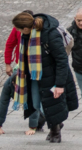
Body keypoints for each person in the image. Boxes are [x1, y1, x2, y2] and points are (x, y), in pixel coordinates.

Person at [12, 10, 73, 142]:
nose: (19, 33)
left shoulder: (50, 35)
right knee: (36, 103)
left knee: (50, 104)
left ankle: (55, 130)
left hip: (50, 75)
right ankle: (56, 124)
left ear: (26, 28)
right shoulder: (26, 36)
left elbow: (62, 60)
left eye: (20, 30)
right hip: (34, 75)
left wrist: (60, 84)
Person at [0, 12, 29, 134]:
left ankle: (37, 123)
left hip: (35, 69)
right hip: (20, 66)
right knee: (7, 89)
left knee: (35, 96)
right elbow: (10, 44)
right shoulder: (17, 30)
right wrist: (8, 63)